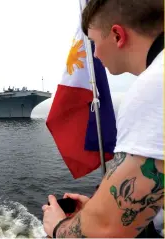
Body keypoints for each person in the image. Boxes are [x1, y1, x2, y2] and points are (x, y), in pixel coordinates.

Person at [42, 0, 164, 237]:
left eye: (94, 42)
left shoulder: (154, 87)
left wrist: (58, 227)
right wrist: (100, 209)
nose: (94, 54)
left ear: (118, 35)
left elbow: (106, 231)